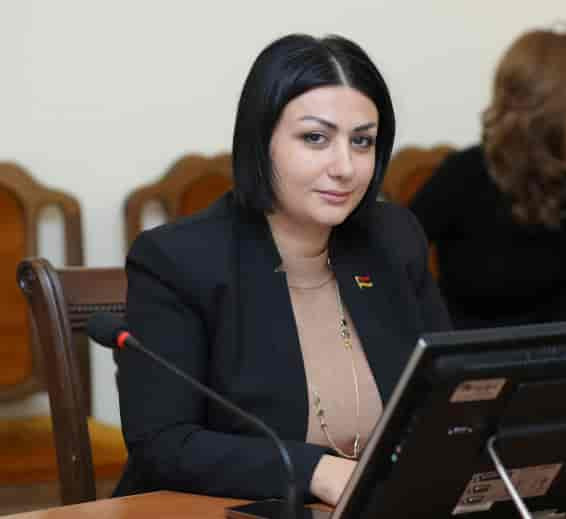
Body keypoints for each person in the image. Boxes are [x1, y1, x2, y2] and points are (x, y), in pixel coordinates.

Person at [114, 34, 450, 506]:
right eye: (315, 138)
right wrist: (317, 472)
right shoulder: (178, 260)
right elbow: (164, 444)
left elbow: (447, 398)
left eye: (362, 142)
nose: (345, 167)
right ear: (260, 141)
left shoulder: (393, 238)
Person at [410, 27, 566, 329]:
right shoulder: (465, 172)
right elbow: (396, 255)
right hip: (478, 346)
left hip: (559, 348)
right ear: (558, 102)